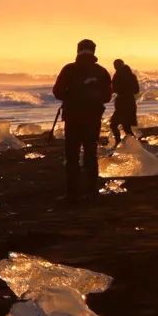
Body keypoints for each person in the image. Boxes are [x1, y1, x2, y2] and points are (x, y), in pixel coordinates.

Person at [52, 39, 112, 199]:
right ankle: (92, 191)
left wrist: (71, 97)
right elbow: (107, 97)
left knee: (72, 154)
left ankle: (73, 193)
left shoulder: (69, 69)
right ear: (93, 51)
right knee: (90, 153)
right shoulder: (101, 71)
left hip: (73, 117)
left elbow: (57, 92)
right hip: (93, 118)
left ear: (78, 51)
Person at [109, 58, 140, 144]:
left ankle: (119, 142)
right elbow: (136, 90)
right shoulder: (130, 75)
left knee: (115, 125)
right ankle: (131, 142)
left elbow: (115, 88)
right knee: (126, 127)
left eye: (116, 65)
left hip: (125, 104)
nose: (115, 67)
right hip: (127, 103)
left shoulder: (120, 76)